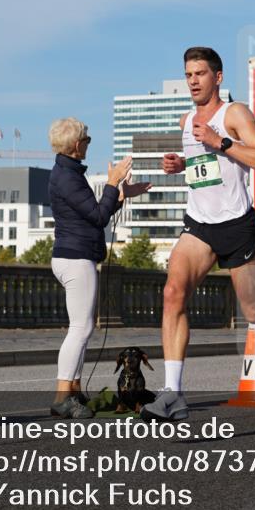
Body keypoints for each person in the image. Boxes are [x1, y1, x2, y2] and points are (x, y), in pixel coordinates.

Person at [140, 46, 255, 422]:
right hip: (199, 225)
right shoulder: (186, 120)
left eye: (200, 74)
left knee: (253, 310)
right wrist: (180, 164)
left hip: (238, 224)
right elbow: (206, 165)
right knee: (172, 293)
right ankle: (173, 392)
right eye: (188, 75)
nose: (192, 82)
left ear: (217, 77)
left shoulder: (234, 113)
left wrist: (221, 141)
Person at [47, 117, 150, 418]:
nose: (89, 143)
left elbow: (94, 212)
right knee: (80, 329)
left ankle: (74, 391)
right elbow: (97, 217)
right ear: (77, 145)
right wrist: (113, 182)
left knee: (83, 328)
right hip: (76, 258)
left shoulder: (66, 174)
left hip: (73, 255)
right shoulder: (66, 177)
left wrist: (119, 196)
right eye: (88, 140)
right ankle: (62, 396)